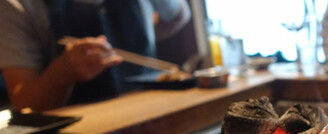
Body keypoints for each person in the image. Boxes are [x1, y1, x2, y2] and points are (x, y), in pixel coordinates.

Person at [0, 0, 190, 112]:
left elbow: (179, 15)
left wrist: (141, 38)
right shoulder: (15, 5)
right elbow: (25, 104)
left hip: (154, 114)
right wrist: (61, 74)